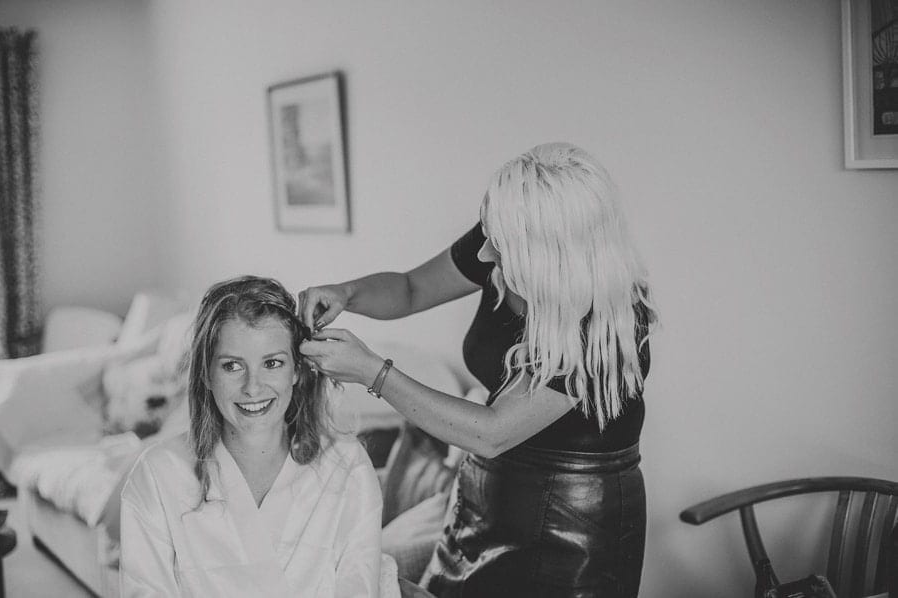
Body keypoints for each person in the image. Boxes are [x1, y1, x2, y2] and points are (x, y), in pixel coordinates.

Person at [299, 142, 658, 597]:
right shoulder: (499, 239)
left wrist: (373, 372)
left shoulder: (604, 322)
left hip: (571, 521)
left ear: (547, 257)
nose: (484, 255)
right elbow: (410, 289)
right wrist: (348, 292)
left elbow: (492, 431)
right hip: (489, 492)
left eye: (501, 248)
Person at [119, 276, 391, 597]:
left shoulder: (347, 466)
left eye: (272, 363)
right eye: (233, 366)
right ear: (206, 373)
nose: (253, 387)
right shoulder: (158, 474)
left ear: (297, 371)